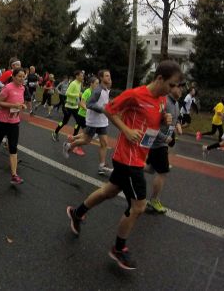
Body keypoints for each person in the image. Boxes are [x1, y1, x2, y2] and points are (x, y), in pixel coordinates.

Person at [66, 60, 181, 271]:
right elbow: (110, 109)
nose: (175, 90)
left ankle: (77, 212)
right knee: (138, 206)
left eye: (177, 86)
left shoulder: (161, 100)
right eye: (172, 85)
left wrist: (163, 121)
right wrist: (126, 130)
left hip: (139, 155)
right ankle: (119, 248)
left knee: (108, 191)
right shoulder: (135, 94)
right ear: (159, 79)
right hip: (128, 158)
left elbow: (151, 123)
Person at [145, 76, 183, 214]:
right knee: (163, 172)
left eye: (182, 87)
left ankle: (129, 168)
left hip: (164, 142)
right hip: (157, 142)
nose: (181, 90)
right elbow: (151, 124)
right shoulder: (164, 101)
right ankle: (153, 201)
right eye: (179, 86)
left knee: (150, 169)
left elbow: (175, 119)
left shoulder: (176, 103)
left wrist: (177, 126)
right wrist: (163, 138)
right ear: (171, 87)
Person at [63, 72, 113, 175]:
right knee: (86, 141)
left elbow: (107, 95)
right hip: (93, 121)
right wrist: (102, 109)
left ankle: (101, 166)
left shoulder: (106, 89)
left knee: (104, 143)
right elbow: (89, 104)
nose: (109, 78)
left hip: (103, 122)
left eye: (110, 76)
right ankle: (68, 145)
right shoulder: (97, 91)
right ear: (101, 78)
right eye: (107, 76)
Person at [52, 70, 84, 142]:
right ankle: (55, 132)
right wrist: (77, 95)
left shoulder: (79, 83)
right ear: (77, 76)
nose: (83, 77)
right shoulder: (73, 83)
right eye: (81, 75)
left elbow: (78, 93)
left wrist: (80, 96)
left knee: (78, 122)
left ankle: (74, 137)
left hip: (75, 107)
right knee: (64, 122)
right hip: (68, 107)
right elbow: (67, 93)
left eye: (83, 76)